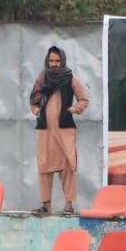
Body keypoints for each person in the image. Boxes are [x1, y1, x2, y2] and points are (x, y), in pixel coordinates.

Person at [29, 44, 89, 216]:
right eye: (51, 61)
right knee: (44, 166)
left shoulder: (70, 79)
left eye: (57, 60)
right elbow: (33, 101)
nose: (54, 64)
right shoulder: (42, 78)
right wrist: (36, 111)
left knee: (67, 166)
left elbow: (84, 100)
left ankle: (68, 205)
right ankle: (45, 205)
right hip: (45, 130)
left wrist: (73, 109)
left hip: (64, 129)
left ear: (62, 61)